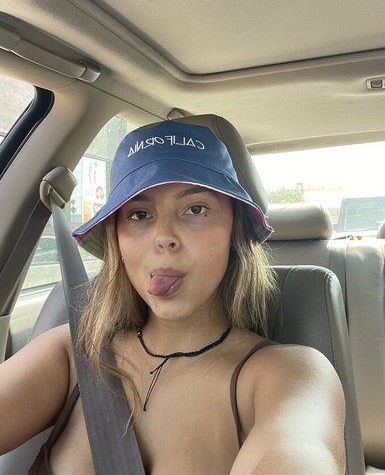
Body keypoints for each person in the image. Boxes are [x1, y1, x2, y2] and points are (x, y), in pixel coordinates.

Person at [0, 119, 345, 474]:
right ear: (117, 239)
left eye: (195, 209)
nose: (164, 237)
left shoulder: (290, 376)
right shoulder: (73, 353)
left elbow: (299, 451)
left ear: (234, 230)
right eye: (139, 214)